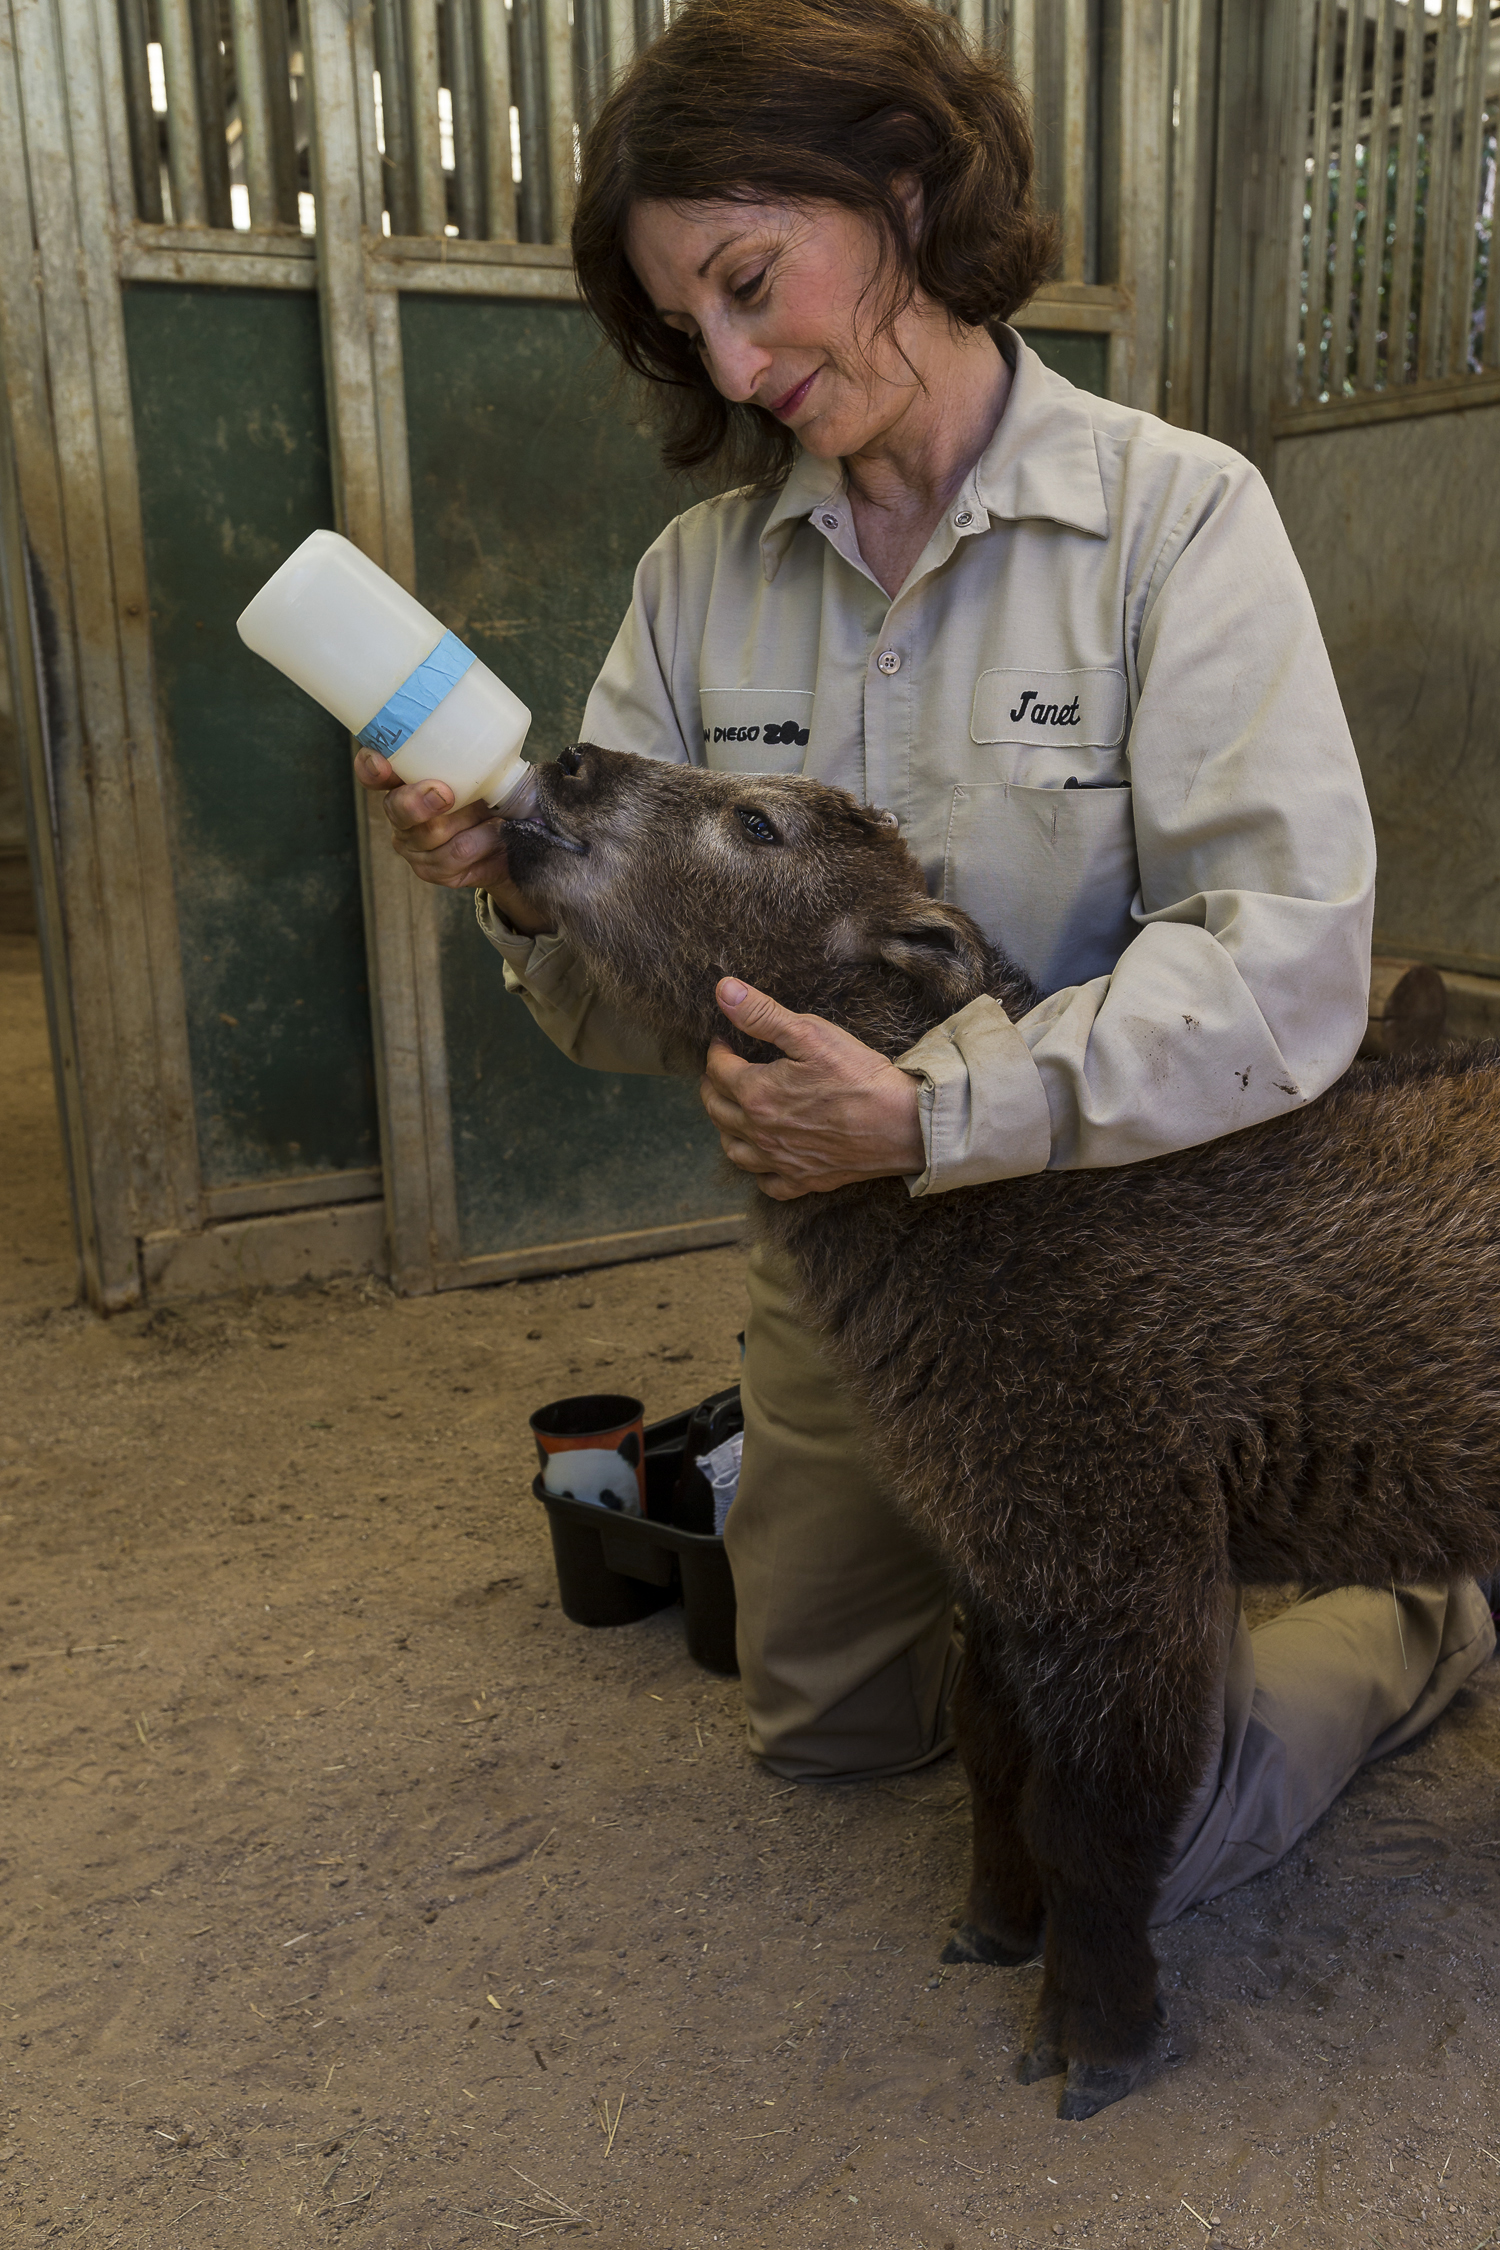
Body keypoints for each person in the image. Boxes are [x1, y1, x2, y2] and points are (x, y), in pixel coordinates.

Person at [355, 0, 1493, 1919]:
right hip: (864, 1274)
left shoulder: (1177, 514)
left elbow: (1290, 967)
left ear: (900, 183)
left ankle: (1421, 1616)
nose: (734, 359)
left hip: (1147, 1247)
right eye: (684, 327)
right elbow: (629, 1002)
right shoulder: (700, 577)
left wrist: (943, 1109)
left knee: (1146, 1800)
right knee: (827, 1733)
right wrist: (529, 886)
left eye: (748, 280)